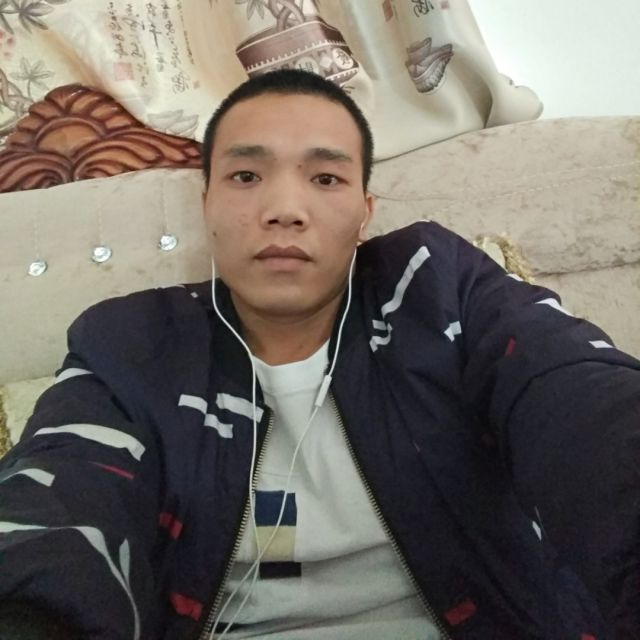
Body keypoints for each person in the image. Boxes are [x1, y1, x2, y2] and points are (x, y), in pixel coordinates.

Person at [0, 69, 638, 640]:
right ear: (206, 205)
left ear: (364, 213)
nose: (285, 210)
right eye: (245, 176)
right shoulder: (133, 340)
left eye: (326, 178)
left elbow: (576, 396)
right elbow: (60, 494)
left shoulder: (437, 287)